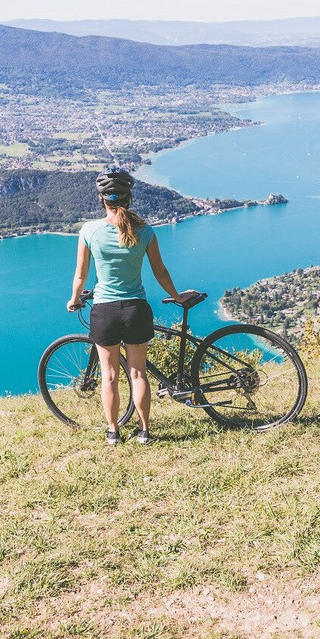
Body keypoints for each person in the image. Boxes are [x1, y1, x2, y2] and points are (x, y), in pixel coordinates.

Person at [67, 168, 196, 445]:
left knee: (110, 376)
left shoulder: (89, 230)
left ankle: (113, 432)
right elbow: (160, 272)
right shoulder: (145, 231)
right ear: (129, 198)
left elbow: (80, 274)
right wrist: (177, 295)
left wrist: (74, 299)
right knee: (138, 374)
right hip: (136, 309)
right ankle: (144, 431)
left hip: (105, 312)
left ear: (102, 199)